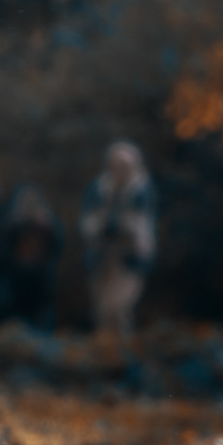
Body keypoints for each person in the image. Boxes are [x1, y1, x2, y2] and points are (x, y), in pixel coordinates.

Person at [78, 141, 156, 336]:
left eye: (124, 166)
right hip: (102, 256)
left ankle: (123, 355)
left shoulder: (142, 190)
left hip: (129, 257)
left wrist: (119, 224)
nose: (119, 170)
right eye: (116, 165)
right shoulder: (98, 188)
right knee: (102, 310)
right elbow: (88, 223)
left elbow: (140, 226)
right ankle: (104, 354)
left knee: (119, 309)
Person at [0, 184, 62, 330]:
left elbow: (56, 247)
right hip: (16, 277)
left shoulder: (47, 223)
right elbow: (3, 250)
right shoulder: (12, 223)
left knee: (41, 314)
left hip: (39, 277)